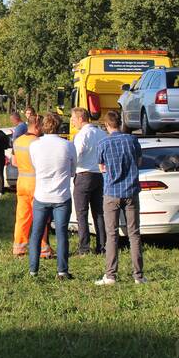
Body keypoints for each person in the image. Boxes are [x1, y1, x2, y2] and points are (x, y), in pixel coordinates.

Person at [95, 110, 147, 285]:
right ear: (120, 123)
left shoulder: (103, 143)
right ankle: (138, 275)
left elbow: (101, 166)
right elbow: (139, 162)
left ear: (107, 125)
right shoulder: (132, 140)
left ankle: (110, 275)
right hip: (131, 191)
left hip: (111, 192)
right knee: (134, 234)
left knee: (112, 234)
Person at [28, 113, 76, 279]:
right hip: (61, 196)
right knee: (62, 234)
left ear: (43, 126)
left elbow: (34, 166)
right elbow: (72, 171)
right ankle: (62, 271)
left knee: (37, 233)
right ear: (59, 125)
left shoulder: (34, 146)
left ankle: (33, 270)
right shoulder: (68, 145)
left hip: (41, 195)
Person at [12, 115, 51, 257]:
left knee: (22, 216)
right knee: (39, 217)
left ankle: (19, 248)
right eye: (41, 127)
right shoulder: (38, 142)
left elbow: (14, 162)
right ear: (36, 127)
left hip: (21, 182)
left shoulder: (18, 141)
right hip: (36, 183)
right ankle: (43, 249)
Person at [71, 107, 107, 256]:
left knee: (82, 213)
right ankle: (102, 246)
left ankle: (84, 248)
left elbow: (76, 155)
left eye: (73, 119)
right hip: (99, 175)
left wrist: (71, 168)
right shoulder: (101, 133)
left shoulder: (82, 135)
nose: (72, 122)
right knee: (98, 212)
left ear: (80, 119)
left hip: (84, 175)